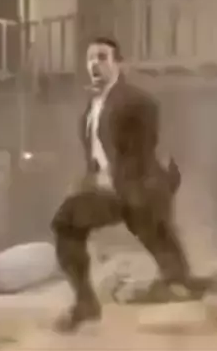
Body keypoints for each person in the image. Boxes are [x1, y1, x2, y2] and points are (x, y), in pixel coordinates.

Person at [51, 37, 204, 332]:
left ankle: (186, 287)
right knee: (65, 222)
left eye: (102, 57)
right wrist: (90, 180)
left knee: (168, 258)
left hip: (141, 190)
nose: (95, 64)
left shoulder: (136, 101)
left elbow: (147, 146)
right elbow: (96, 154)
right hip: (110, 192)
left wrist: (135, 182)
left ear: (118, 64)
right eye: (90, 58)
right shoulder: (91, 109)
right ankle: (85, 302)